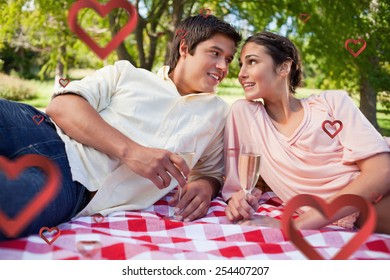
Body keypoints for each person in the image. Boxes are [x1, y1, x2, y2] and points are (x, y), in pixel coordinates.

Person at [0, 14, 241, 240]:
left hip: (71, 187)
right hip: (38, 129)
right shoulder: (126, 73)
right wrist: (132, 152)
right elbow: (61, 107)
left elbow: (211, 171)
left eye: (228, 59)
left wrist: (206, 186)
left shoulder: (218, 112)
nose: (223, 66)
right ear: (185, 48)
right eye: (215, 53)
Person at [222, 31, 390, 233]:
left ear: (284, 67)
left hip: (377, 194)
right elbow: (235, 184)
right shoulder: (245, 114)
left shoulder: (332, 102)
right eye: (241, 64)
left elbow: (382, 171)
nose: (241, 74)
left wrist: (297, 225)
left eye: (252, 62)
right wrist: (236, 199)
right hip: (360, 210)